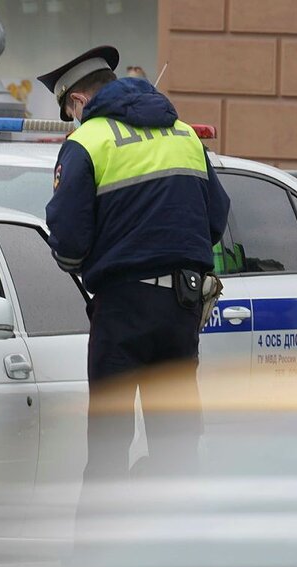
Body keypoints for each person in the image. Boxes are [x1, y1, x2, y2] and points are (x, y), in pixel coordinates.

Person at [37, 45, 230, 485]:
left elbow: (68, 241)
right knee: (177, 445)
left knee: (108, 447)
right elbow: (215, 219)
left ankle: (98, 552)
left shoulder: (87, 141)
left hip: (123, 309)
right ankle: (171, 549)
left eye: (70, 109)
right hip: (183, 306)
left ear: (79, 101)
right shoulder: (183, 135)